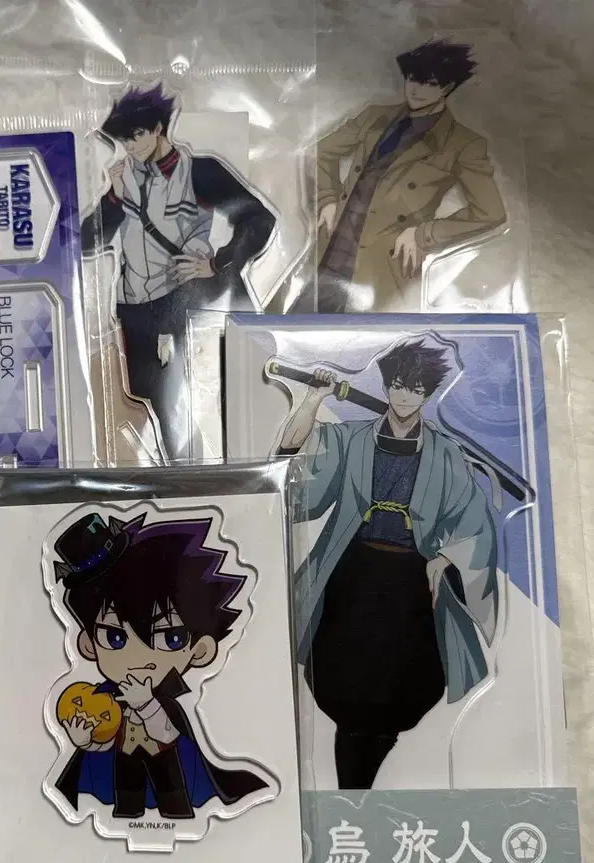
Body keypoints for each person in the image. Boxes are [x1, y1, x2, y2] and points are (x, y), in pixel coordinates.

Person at [278, 340, 499, 788]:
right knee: (343, 681)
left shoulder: (445, 453)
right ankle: (352, 787)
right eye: (397, 385)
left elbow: (474, 519)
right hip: (353, 574)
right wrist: (313, 398)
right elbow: (295, 476)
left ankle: (362, 783)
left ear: (428, 394)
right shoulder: (351, 438)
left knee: (402, 686)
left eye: (415, 389)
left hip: (411, 582)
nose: (403, 396)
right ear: (385, 386)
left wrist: (444, 558)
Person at [81, 84, 276, 461]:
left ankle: (232, 466)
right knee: (152, 405)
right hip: (135, 308)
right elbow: (86, 242)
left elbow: (258, 219)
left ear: (158, 128)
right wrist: (114, 197)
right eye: (124, 139)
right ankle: (181, 477)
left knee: (212, 394)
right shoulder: (124, 178)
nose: (130, 146)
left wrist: (219, 262)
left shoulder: (199, 171)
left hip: (186, 300)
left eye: (137, 135)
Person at [51, 512, 269, 818]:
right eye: (114, 638)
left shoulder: (169, 701)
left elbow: (168, 734)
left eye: (171, 638)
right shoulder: (103, 699)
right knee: (125, 794)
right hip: (124, 757)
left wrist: (146, 705)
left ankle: (176, 814)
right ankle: (127, 813)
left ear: (201, 650)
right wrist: (84, 741)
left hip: (165, 757)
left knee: (173, 793)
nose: (140, 658)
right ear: (88, 644)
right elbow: (105, 739)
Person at [306, 40, 506, 312]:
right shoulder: (375, 116)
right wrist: (328, 198)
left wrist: (424, 234)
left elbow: (490, 212)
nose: (417, 89)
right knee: (294, 327)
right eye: (413, 78)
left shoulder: (462, 144)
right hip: (331, 248)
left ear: (447, 87)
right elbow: (321, 151)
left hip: (381, 264)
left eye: (430, 83)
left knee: (363, 335)